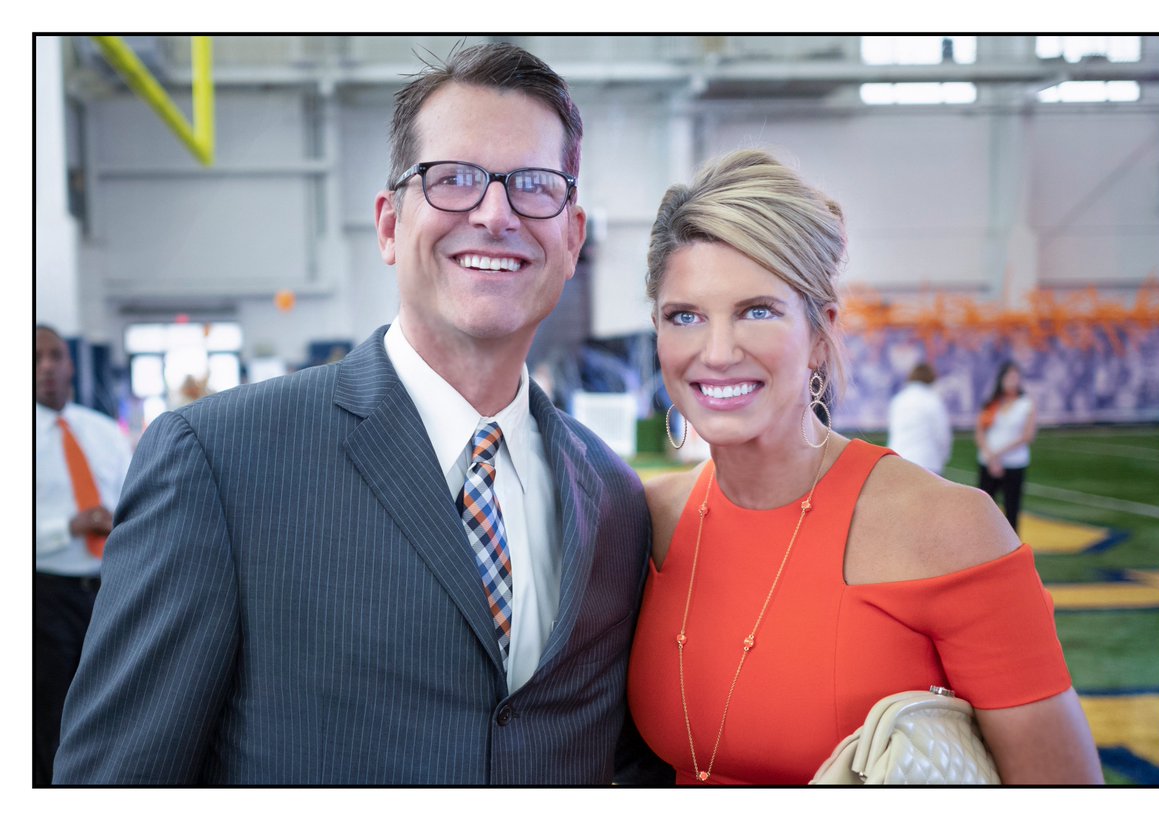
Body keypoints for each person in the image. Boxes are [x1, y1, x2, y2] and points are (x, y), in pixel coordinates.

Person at [56, 43, 665, 785]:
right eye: (454, 180)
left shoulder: (614, 498)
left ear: (572, 238)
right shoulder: (217, 461)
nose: (496, 213)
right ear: (387, 225)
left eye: (535, 186)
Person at [626, 149, 1102, 784]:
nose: (716, 352)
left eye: (757, 311)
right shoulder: (646, 521)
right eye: (684, 317)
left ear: (820, 332)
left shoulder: (950, 529)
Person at [35, 324, 132, 785]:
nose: (47, 367)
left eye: (55, 356)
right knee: (51, 709)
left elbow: (134, 496)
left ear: (71, 363)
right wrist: (69, 526)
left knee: (107, 702)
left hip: (106, 590)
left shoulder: (102, 431)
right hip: (44, 596)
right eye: (35, 358)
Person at [976, 360, 1037, 531]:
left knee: (1012, 509)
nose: (1013, 381)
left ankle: (1011, 551)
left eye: (1016, 377)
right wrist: (990, 456)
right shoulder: (992, 403)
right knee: (984, 508)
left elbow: (1027, 436)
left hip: (1014, 463)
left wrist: (999, 455)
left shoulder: (1026, 404)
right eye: (1009, 377)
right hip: (988, 462)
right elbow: (980, 431)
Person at [886, 361, 951, 474]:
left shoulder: (899, 399)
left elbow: (892, 429)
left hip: (899, 459)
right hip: (927, 462)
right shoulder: (933, 400)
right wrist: (943, 457)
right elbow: (942, 435)